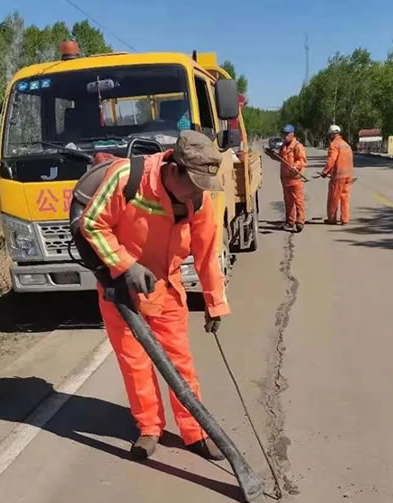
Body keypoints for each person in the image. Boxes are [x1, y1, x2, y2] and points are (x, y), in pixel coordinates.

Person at [80, 130, 229, 461]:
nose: (197, 194)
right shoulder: (127, 179)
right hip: (121, 290)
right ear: (173, 169)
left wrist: (214, 302)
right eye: (194, 185)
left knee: (180, 364)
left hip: (166, 288)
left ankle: (195, 432)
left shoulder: (198, 199)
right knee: (135, 363)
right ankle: (149, 428)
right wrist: (127, 266)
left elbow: (207, 253)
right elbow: (91, 223)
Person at [266, 124, 307, 232]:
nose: (285, 136)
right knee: (288, 202)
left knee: (298, 201)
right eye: (284, 133)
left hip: (295, 179)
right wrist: (271, 155)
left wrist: (296, 165)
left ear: (292, 134)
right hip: (285, 179)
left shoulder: (297, 146)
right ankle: (290, 222)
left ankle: (300, 222)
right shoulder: (283, 146)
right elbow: (281, 158)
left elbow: (302, 160)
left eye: (288, 133)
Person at [322, 124, 354, 225]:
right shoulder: (346, 144)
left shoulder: (334, 144)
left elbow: (332, 159)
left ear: (332, 134)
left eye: (329, 135)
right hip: (348, 176)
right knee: (345, 198)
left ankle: (332, 219)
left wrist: (325, 171)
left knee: (333, 198)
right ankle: (345, 219)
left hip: (338, 176)